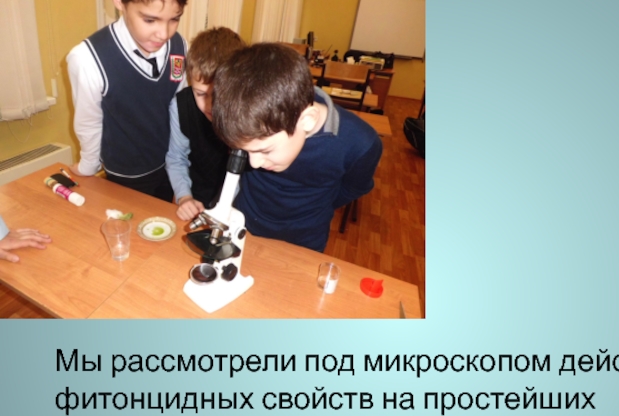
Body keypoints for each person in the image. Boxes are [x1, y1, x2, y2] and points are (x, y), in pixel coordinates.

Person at [209, 43, 383, 252]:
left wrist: (314, 205)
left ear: (307, 120)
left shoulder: (361, 144)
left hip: (305, 240)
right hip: (245, 225)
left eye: (264, 150)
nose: (253, 164)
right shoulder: (253, 120)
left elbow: (353, 188)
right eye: (246, 151)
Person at [67, 0, 188, 202]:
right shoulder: (87, 58)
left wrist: (181, 169)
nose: (164, 34)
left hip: (171, 166)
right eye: (150, 20)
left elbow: (178, 105)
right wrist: (88, 166)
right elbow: (88, 122)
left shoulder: (179, 46)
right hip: (127, 174)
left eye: (174, 19)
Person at [166, 27, 245, 221]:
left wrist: (223, 207)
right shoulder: (181, 106)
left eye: (218, 94)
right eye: (200, 93)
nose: (210, 105)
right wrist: (184, 197)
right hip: (198, 197)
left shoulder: (248, 107)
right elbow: (176, 158)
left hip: (241, 204)